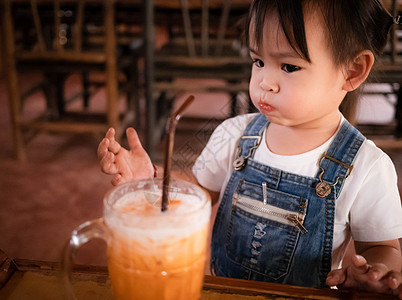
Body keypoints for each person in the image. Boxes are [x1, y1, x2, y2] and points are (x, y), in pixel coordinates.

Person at [97, 0, 402, 297]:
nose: (264, 82)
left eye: (289, 66)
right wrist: (150, 178)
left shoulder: (366, 166)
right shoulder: (234, 134)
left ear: (351, 71)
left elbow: (383, 248)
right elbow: (198, 191)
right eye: (258, 61)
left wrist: (376, 272)